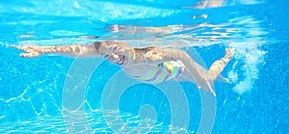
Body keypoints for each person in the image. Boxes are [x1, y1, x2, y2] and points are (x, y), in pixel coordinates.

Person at [13, 41, 233, 96]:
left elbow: (181, 55)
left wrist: (199, 79)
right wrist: (44, 50)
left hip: (170, 70)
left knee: (209, 77)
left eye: (117, 50)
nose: (115, 58)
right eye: (108, 55)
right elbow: (78, 50)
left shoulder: (149, 54)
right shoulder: (105, 48)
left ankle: (225, 59)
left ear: (127, 43)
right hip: (156, 76)